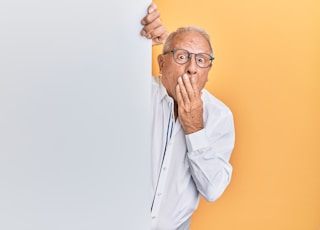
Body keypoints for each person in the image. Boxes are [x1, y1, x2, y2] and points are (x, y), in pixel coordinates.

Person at [141, 4, 235, 230]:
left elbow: (213, 190)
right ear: (161, 63)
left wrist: (195, 128)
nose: (192, 68)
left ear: (208, 73)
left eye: (202, 60)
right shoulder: (138, 93)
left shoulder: (219, 116)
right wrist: (131, 37)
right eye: (182, 56)